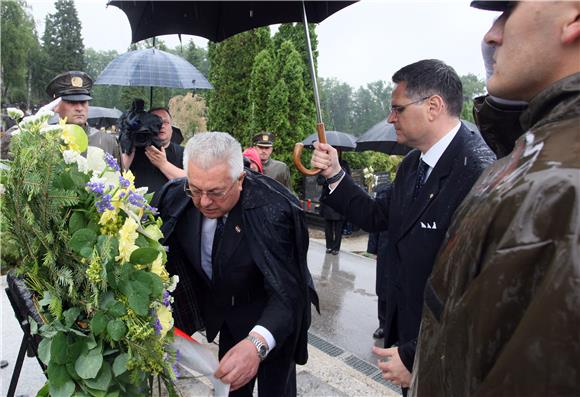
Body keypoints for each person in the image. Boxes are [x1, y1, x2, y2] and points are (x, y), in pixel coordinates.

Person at [410, 2, 580, 396]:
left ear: (573, 16)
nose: (491, 35)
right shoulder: (532, 156)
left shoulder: (562, 184)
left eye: (508, 8)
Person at [311, 59, 496, 393]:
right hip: (408, 333)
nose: (390, 118)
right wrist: (336, 175)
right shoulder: (413, 164)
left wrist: (416, 355)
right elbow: (379, 216)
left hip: (443, 353)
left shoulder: (477, 171)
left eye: (397, 109)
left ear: (434, 106)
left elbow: (476, 290)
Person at [156, 132, 319, 396]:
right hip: (227, 313)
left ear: (240, 179)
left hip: (273, 317)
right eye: (196, 189)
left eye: (216, 192)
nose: (205, 202)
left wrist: (257, 343)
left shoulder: (273, 210)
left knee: (276, 388)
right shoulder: (176, 197)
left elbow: (288, 292)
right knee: (231, 385)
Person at [46, 71, 120, 162]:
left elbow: (118, 175)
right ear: (55, 106)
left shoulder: (107, 141)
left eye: (83, 101)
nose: (79, 108)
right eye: (71, 102)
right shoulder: (44, 142)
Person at [121, 107, 185, 204]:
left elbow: (192, 182)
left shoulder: (183, 153)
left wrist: (163, 164)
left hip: (171, 215)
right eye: (156, 122)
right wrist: (130, 146)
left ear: (172, 128)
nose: (162, 125)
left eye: (166, 122)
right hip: (136, 212)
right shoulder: (135, 150)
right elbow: (116, 176)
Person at [366, 181, 393, 341]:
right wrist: (373, 249)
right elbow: (375, 220)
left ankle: (395, 326)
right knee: (383, 287)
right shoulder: (387, 191)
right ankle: (383, 323)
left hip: (405, 250)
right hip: (386, 246)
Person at [317, 151, 351, 255]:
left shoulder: (344, 164)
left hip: (340, 198)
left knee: (338, 226)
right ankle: (329, 246)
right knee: (328, 225)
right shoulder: (324, 163)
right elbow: (319, 180)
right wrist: (329, 179)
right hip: (328, 198)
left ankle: (336, 247)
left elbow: (348, 179)